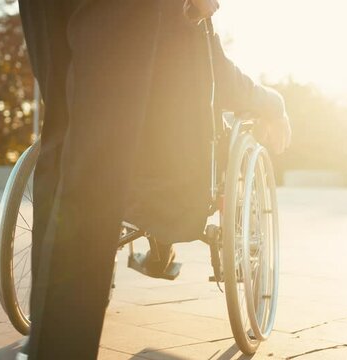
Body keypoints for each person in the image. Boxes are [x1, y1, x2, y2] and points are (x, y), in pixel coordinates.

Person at [16, 0, 291, 358]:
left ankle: (48, 339)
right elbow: (226, 82)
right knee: (95, 154)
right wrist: (275, 104)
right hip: (163, 182)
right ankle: (59, 349)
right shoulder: (189, 30)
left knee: (61, 134)